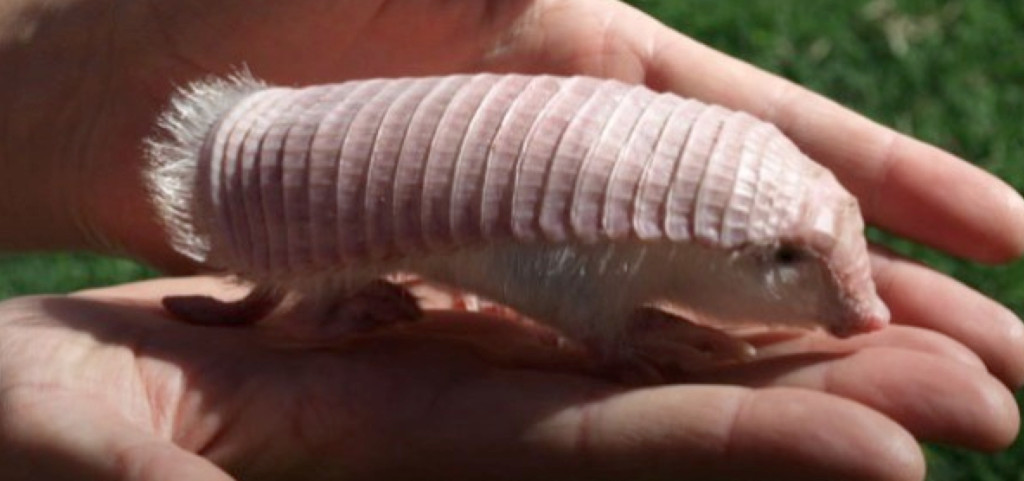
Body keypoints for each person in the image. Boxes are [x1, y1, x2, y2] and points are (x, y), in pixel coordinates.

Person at [0, 1, 1022, 480]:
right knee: (498, 209)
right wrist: (613, 341)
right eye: (795, 265)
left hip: (309, 168)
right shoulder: (617, 225)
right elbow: (542, 274)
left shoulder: (658, 211)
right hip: (297, 184)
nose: (854, 311)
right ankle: (316, 293)